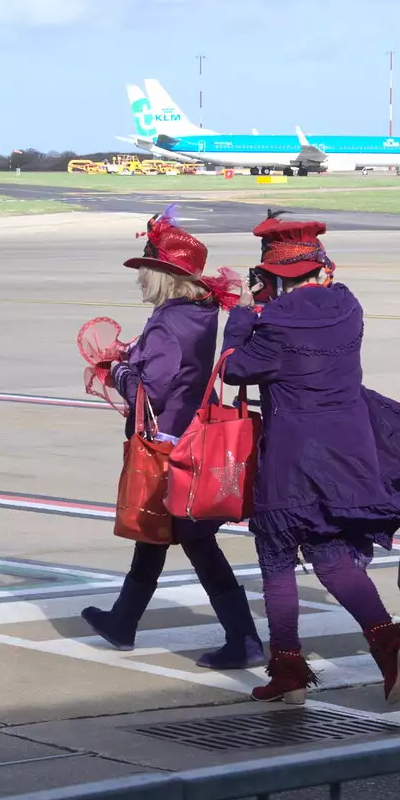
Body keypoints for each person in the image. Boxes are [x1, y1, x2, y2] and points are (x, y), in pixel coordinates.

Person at [222, 214, 400, 705]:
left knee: (276, 561)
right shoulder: (349, 308)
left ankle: (288, 670)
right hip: (350, 453)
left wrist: (244, 314)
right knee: (332, 555)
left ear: (270, 277)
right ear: (321, 268)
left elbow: (232, 369)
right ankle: (387, 639)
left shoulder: (271, 325)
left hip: (294, 455)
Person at [80, 207, 266, 671]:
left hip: (169, 446)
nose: (140, 280)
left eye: (146, 271)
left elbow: (154, 389)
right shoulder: (198, 314)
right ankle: (123, 621)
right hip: (188, 441)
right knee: (156, 535)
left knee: (194, 541)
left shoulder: (169, 321)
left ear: (165, 276)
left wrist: (116, 367)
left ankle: (243, 639)